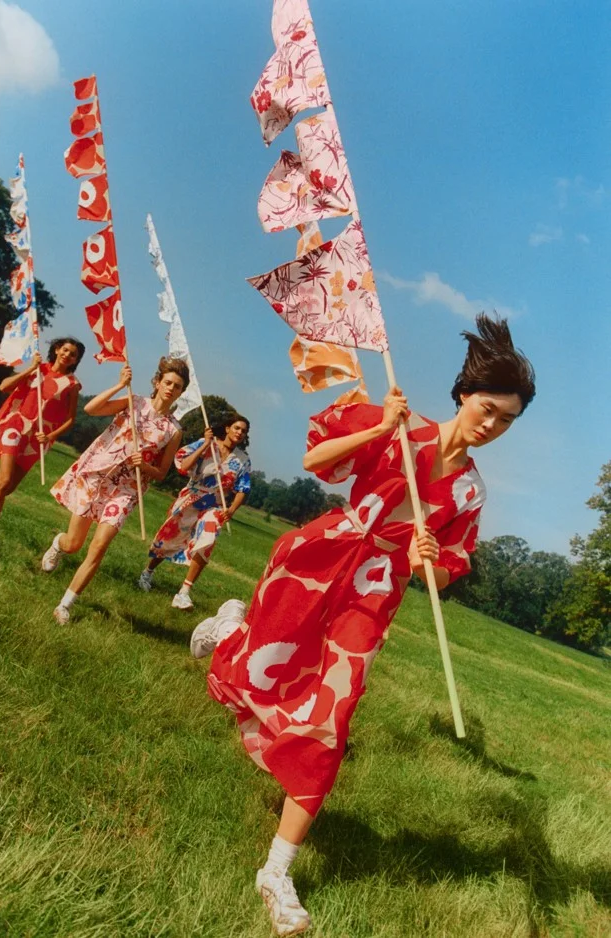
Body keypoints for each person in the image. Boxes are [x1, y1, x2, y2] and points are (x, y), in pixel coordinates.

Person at [189, 314, 535, 936]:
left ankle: (276, 871)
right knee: (264, 669)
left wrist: (429, 561)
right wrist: (378, 427)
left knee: (332, 715)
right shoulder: (402, 425)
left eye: (506, 421)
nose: (491, 426)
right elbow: (316, 458)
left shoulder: (471, 494)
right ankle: (232, 630)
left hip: (372, 595)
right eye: (487, 409)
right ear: (463, 395)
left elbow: (446, 572)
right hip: (318, 558)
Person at [40, 356, 189, 624]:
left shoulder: (174, 430)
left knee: (98, 546)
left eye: (177, 386)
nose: (171, 388)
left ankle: (64, 605)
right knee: (74, 544)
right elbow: (92, 409)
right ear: (157, 382)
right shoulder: (134, 401)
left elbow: (161, 472)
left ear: (181, 392)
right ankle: (58, 544)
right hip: (97, 476)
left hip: (126, 490)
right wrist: (120, 384)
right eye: (167, 382)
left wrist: (144, 465)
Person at [0, 337, 85, 551]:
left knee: (8, 488)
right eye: (65, 350)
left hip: (37, 439)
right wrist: (30, 369)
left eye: (73, 354)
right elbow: (4, 386)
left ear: (76, 360)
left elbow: (70, 419)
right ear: (57, 349)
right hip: (15, 427)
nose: (67, 355)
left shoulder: (72, 385)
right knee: (4, 481)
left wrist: (50, 436)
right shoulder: (38, 368)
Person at [137, 415, 251, 608]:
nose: (240, 433)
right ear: (227, 428)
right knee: (170, 539)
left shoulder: (243, 460)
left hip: (215, 506)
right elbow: (183, 466)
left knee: (207, 540)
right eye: (237, 428)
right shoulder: (207, 443)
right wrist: (205, 444)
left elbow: (243, 488)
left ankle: (184, 592)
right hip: (191, 499)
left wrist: (231, 509)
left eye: (244, 431)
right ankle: (147, 573)